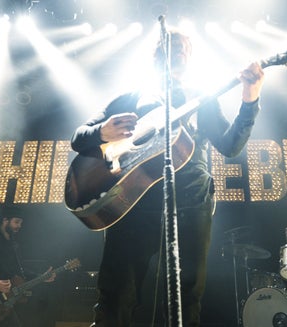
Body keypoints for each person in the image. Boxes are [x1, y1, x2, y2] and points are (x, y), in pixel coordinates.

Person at [70, 29, 264, 326]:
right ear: (157, 55)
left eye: (186, 49)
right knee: (117, 295)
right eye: (172, 47)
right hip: (131, 204)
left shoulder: (202, 97)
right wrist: (101, 132)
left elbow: (230, 145)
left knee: (185, 299)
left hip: (190, 202)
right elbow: (78, 138)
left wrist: (250, 100)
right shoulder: (130, 98)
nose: (180, 53)